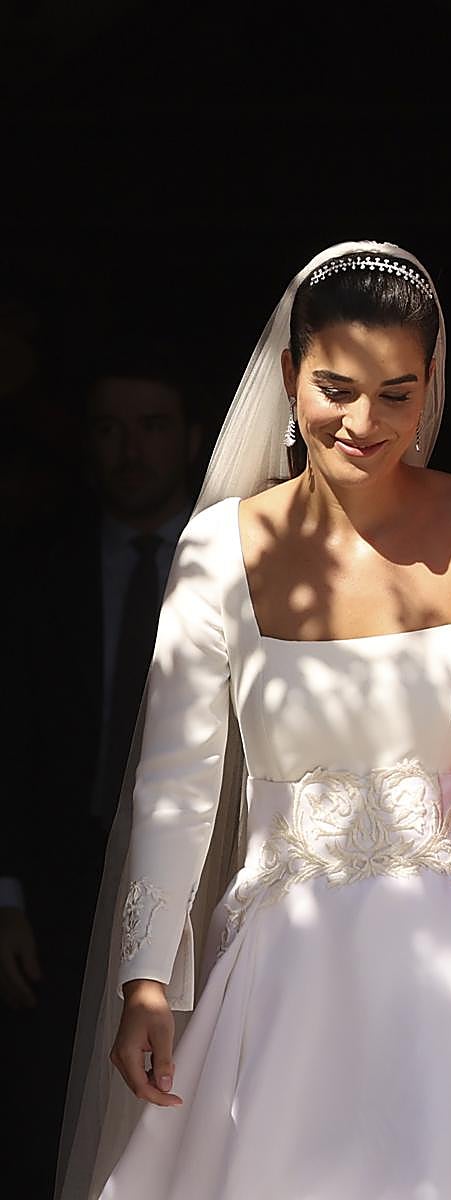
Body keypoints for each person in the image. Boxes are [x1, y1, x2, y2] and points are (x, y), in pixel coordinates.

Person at [59, 242, 451, 1199]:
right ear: (288, 376)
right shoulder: (219, 549)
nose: (364, 423)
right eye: (337, 390)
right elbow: (177, 784)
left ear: (431, 385)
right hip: (286, 972)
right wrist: (147, 977)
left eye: (396, 394)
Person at [0, 361, 201, 1196]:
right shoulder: (35, 570)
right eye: (111, 428)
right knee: (43, 1099)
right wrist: (6, 891)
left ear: (190, 437)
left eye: (152, 425)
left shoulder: (235, 563)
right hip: (60, 882)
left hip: (198, 874)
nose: (131, 450)